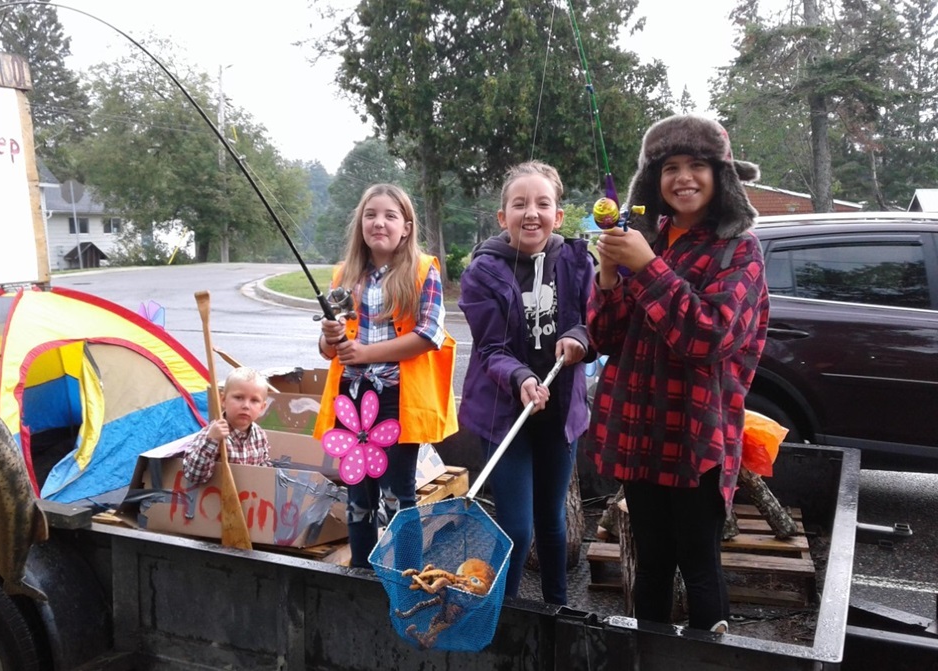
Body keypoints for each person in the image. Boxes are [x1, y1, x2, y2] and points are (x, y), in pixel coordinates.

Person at [587, 114, 770, 633]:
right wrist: (607, 275)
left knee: (701, 566)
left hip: (696, 439)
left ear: (722, 176)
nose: (683, 178)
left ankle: (712, 658)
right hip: (639, 435)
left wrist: (647, 268)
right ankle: (650, 651)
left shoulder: (740, 249)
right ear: (654, 180)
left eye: (697, 165)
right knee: (651, 564)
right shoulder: (649, 237)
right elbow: (604, 338)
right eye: (670, 167)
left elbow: (708, 338)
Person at [457, 161, 595, 605]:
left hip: (558, 414)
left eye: (542, 203)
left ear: (558, 214)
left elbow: (591, 324)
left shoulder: (577, 261)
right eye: (519, 204)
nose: (531, 212)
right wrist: (521, 378)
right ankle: (506, 613)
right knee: (516, 527)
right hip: (504, 416)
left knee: (552, 518)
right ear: (503, 217)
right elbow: (490, 349)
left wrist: (576, 339)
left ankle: (557, 608)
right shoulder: (482, 272)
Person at [312, 183, 458, 570]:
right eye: (370, 215)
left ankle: (405, 577)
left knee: (398, 497)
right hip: (352, 404)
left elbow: (429, 334)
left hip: (397, 402)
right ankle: (361, 571)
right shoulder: (344, 275)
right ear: (360, 224)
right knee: (358, 498)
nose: (379, 223)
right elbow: (330, 349)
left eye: (390, 216)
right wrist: (330, 339)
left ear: (406, 227)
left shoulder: (424, 270)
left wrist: (365, 353)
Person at [182, 366, 272, 486]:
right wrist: (211, 440)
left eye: (254, 400)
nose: (246, 405)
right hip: (216, 497)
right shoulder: (212, 432)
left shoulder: (260, 435)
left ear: (262, 407)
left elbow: (263, 467)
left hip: (248, 498)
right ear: (223, 400)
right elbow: (193, 476)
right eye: (238, 397)